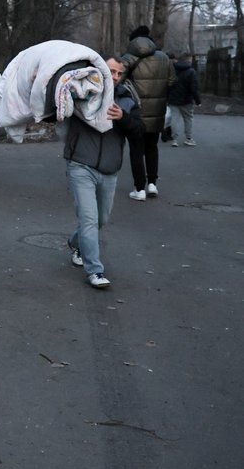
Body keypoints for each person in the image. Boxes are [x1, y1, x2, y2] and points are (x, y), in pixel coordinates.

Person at [65, 56, 144, 289]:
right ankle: (95, 271)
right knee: (89, 219)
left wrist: (123, 119)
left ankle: (75, 242)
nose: (116, 76)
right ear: (99, 69)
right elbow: (56, 109)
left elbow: (140, 131)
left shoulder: (126, 100)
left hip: (109, 169)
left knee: (101, 219)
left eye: (120, 73)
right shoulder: (81, 90)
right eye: (111, 71)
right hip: (80, 164)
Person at [120, 25, 175, 201]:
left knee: (136, 150)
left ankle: (139, 189)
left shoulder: (128, 58)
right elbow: (172, 81)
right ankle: (152, 184)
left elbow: (116, 80)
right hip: (157, 111)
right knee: (152, 148)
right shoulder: (164, 57)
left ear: (133, 41)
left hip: (136, 112)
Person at [168, 52, 202, 147]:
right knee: (188, 119)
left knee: (174, 119)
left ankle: (175, 139)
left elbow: (167, 84)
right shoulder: (191, 71)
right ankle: (188, 138)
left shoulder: (172, 70)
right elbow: (194, 88)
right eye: (191, 60)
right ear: (188, 60)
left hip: (173, 99)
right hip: (187, 100)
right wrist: (198, 101)